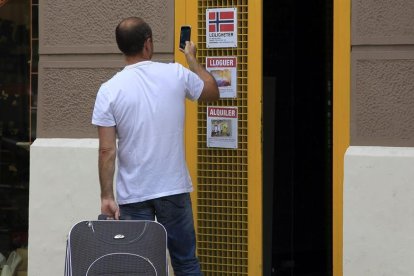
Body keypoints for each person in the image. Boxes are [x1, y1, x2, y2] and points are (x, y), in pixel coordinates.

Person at [91, 17, 219, 276]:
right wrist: (191, 59)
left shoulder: (109, 90)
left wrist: (107, 196)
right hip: (173, 188)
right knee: (186, 263)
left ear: (121, 48)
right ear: (148, 43)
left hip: (134, 194)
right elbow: (211, 91)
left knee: (136, 266)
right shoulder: (175, 73)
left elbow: (107, 151)